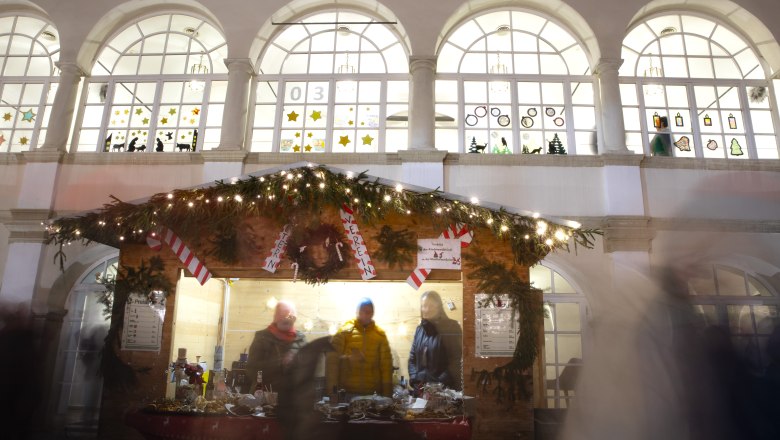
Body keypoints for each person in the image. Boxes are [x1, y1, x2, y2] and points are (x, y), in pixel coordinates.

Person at [326, 298, 393, 397]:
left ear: (372, 313)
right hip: (347, 393)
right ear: (357, 311)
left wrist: (387, 396)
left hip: (373, 395)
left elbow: (386, 367)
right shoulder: (344, 332)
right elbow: (332, 362)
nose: (365, 315)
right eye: (362, 311)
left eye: (368, 312)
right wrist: (332, 393)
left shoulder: (379, 336)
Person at [408, 291, 463, 394]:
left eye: (431, 305)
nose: (427, 309)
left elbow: (456, 361)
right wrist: (415, 378)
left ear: (439, 307)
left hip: (445, 391)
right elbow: (412, 358)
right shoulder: (419, 330)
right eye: (424, 306)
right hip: (421, 390)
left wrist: (437, 384)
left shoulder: (451, 327)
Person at [246, 300, 306, 392]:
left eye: (291, 316)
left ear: (295, 318)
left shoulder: (301, 340)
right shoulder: (262, 338)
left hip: (292, 399)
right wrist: (280, 362)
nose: (287, 318)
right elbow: (252, 370)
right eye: (283, 315)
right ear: (276, 317)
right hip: (264, 397)